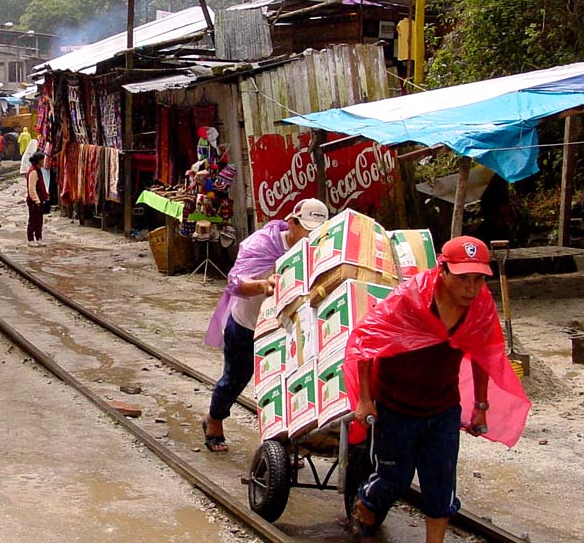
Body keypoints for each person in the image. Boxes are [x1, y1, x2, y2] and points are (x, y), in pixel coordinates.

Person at [345, 236, 531, 543]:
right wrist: (365, 400)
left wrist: (480, 407)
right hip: (397, 405)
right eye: (462, 279)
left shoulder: (480, 307)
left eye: (478, 280)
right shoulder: (410, 299)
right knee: (395, 477)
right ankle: (365, 505)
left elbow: (484, 355)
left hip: (443, 406)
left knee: (441, 482)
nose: (470, 289)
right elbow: (367, 341)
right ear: (442, 270)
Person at [202, 198, 329, 452]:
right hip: (248, 324)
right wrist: (263, 285)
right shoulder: (263, 244)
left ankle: (283, 442)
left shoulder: (321, 249)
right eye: (306, 228)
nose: (310, 237)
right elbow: (235, 283)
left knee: (289, 384)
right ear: (292, 223)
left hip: (288, 328)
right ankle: (214, 419)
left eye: (317, 231)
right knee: (235, 379)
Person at [25, 151, 49, 246]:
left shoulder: (37, 170)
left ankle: (39, 238)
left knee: (39, 221)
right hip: (34, 201)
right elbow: (32, 188)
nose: (44, 162)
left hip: (39, 200)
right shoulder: (33, 172)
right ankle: (30, 240)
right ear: (38, 161)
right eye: (42, 160)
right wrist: (36, 200)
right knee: (33, 220)